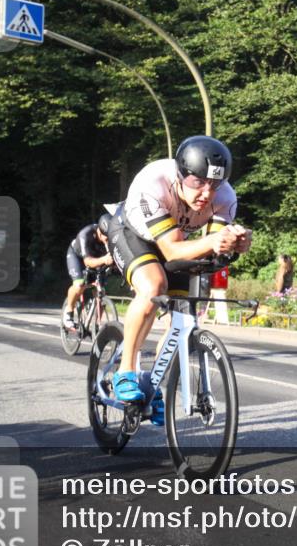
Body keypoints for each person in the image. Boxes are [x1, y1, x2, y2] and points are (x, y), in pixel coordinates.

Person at [107, 135, 252, 407]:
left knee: (182, 316)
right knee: (154, 286)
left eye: (214, 184)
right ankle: (125, 371)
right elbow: (172, 251)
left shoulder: (225, 197)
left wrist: (237, 243)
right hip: (132, 233)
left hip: (177, 240)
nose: (207, 193)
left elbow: (215, 248)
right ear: (180, 174)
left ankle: (151, 384)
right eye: (198, 182)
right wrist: (211, 241)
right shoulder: (153, 183)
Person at [64, 214, 114, 329]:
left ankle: (96, 325)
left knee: (101, 291)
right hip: (78, 257)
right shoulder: (85, 234)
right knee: (79, 284)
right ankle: (69, 311)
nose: (107, 242)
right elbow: (87, 262)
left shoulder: (110, 236)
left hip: (97, 259)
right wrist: (105, 259)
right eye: (106, 239)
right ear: (99, 232)